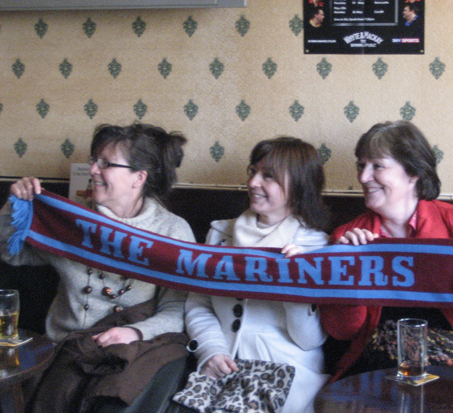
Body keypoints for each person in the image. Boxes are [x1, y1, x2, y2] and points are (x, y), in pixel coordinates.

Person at [0, 122, 196, 408]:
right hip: (60, 350)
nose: (93, 170)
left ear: (138, 177)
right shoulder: (70, 219)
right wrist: (13, 207)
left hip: (125, 354)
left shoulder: (172, 232)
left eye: (105, 164)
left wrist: (136, 332)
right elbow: (11, 254)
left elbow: (178, 308)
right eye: (94, 161)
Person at [320, 120, 453, 381]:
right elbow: (343, 331)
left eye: (377, 166)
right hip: (377, 363)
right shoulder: (348, 236)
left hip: (451, 359)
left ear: (413, 174)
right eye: (361, 165)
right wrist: (350, 273)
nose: (363, 177)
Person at [184, 137, 331, 413]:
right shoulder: (220, 234)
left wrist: (294, 284)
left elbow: (309, 340)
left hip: (287, 372)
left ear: (298, 186)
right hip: (222, 368)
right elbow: (198, 303)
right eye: (253, 171)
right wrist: (211, 350)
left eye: (269, 176)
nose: (253, 183)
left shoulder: (317, 246)